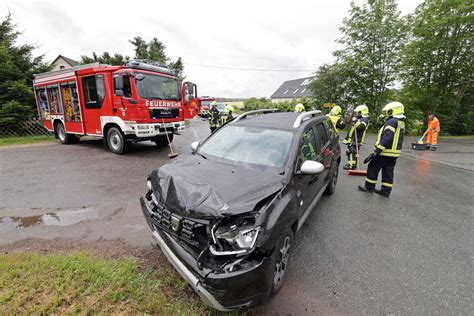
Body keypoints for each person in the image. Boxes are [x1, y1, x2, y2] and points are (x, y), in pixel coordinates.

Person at [358, 101, 406, 197]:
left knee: (373, 166)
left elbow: (387, 138)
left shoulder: (391, 122)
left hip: (385, 152)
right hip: (394, 153)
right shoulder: (400, 122)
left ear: (392, 111)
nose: (386, 113)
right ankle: (386, 191)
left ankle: (369, 187)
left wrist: (376, 152)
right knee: (388, 171)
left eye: (387, 111)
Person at [342, 105, 369, 170]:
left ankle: (352, 165)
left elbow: (361, 127)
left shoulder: (364, 119)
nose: (357, 114)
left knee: (352, 152)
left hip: (356, 139)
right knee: (351, 152)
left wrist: (356, 121)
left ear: (361, 112)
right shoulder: (360, 119)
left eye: (358, 112)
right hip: (352, 139)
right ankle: (351, 164)